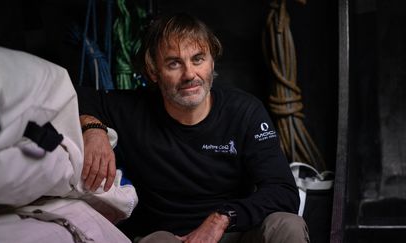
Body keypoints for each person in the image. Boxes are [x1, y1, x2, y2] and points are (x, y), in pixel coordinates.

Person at [77, 13, 309, 243]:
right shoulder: (134, 109)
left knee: (288, 226)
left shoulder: (244, 112)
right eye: (174, 63)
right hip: (169, 236)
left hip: (234, 232)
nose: (189, 74)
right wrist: (93, 127)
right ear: (153, 71)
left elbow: (283, 191)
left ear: (211, 61)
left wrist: (223, 217)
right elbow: (72, 96)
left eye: (198, 59)